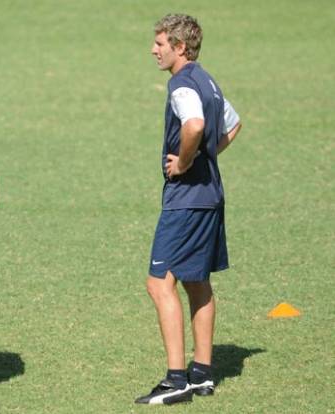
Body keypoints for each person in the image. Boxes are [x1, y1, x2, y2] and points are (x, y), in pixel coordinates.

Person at [135, 14, 242, 405]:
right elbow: (233, 124)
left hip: (186, 199)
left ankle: (176, 379)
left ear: (180, 47)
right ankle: (202, 375)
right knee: (197, 282)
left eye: (160, 43)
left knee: (159, 283)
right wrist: (204, 156)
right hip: (211, 195)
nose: (154, 50)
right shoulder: (207, 80)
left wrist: (183, 162)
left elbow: (194, 126)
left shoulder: (181, 83)